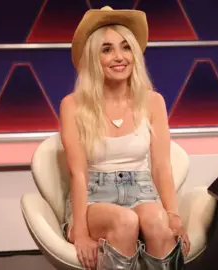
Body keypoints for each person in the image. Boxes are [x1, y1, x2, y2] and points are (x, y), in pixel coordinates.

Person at [59, 6, 189, 270]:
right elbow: (78, 174)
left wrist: (172, 217)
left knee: (155, 219)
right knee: (125, 221)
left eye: (125, 47)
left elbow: (162, 166)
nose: (119, 57)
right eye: (106, 49)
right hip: (95, 198)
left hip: (142, 191)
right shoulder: (73, 105)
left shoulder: (153, 102)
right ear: (94, 58)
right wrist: (81, 233)